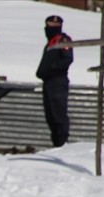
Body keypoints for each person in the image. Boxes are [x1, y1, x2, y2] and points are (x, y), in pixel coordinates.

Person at [37, 14, 72, 148]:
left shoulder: (63, 40)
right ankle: (56, 143)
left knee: (58, 114)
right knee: (50, 114)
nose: (48, 29)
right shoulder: (50, 43)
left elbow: (67, 59)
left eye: (52, 27)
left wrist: (51, 69)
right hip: (48, 82)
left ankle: (62, 143)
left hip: (58, 81)